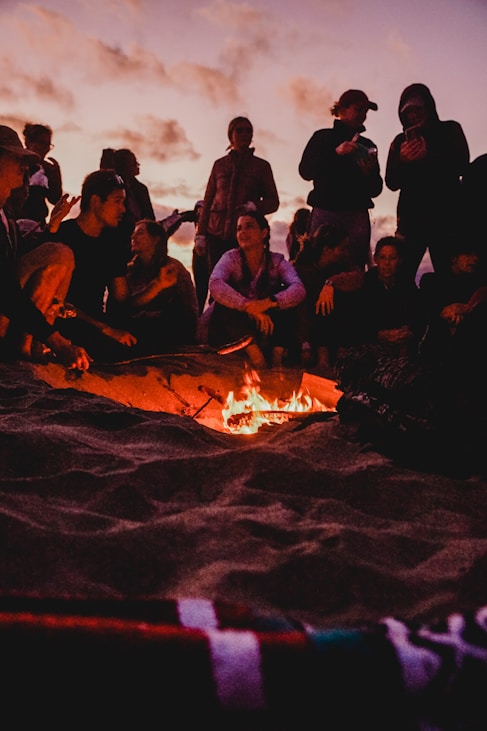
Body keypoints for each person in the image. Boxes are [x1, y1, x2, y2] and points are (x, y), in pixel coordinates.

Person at [0, 124, 90, 370]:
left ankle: (31, 346)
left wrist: (52, 226)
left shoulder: (5, 215)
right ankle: (23, 349)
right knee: (58, 254)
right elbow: (5, 288)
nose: (24, 167)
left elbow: (15, 264)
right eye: (15, 159)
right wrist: (58, 342)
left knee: (61, 253)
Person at [50, 168, 138, 362]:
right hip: (63, 319)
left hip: (97, 323)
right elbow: (53, 300)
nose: (123, 209)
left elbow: (120, 296)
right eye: (117, 201)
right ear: (96, 201)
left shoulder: (113, 242)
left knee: (141, 337)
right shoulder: (64, 235)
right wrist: (106, 329)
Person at [385, 83, 470, 283]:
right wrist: (403, 162)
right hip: (410, 220)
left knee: (450, 277)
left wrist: (428, 156)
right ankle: (401, 314)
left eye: (418, 109)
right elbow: (391, 182)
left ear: (429, 107)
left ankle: (450, 313)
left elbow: (463, 166)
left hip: (447, 219)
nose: (413, 115)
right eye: (408, 112)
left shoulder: (450, 129)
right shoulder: (399, 141)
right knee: (401, 278)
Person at [207, 208, 305, 369]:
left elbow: (298, 289)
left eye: (249, 226)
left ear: (264, 233)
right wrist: (247, 306)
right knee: (224, 303)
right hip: (236, 330)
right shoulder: (231, 258)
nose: (243, 232)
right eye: (239, 228)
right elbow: (215, 283)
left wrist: (268, 303)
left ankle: (277, 358)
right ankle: (256, 357)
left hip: (266, 327)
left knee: (284, 298)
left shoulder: (276, 261)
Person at [298, 89, 383, 270]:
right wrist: (335, 153)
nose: (363, 116)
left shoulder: (368, 146)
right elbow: (305, 171)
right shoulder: (322, 137)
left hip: (356, 214)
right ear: (342, 110)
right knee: (317, 266)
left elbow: (376, 189)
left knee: (354, 269)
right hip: (325, 211)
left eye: (366, 112)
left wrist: (368, 172)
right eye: (359, 110)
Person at [196, 116, 280, 281]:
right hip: (215, 235)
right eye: (239, 130)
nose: (244, 134)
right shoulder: (219, 165)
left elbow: (273, 201)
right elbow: (207, 202)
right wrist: (200, 235)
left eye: (248, 131)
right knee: (217, 283)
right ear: (230, 135)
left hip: (246, 237)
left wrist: (254, 206)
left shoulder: (262, 166)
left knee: (243, 284)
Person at [293, 222, 364, 373]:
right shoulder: (302, 269)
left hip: (336, 329)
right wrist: (305, 343)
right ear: (327, 249)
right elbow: (301, 311)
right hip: (307, 330)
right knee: (317, 299)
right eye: (342, 248)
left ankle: (340, 355)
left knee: (347, 297)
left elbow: (358, 278)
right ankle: (322, 358)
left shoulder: (343, 264)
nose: (347, 252)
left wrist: (331, 283)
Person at [126, 219, 198, 354]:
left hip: (168, 331)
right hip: (137, 329)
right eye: (133, 234)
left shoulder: (173, 268)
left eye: (140, 233)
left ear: (155, 240)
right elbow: (126, 305)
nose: (133, 237)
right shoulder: (130, 271)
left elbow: (189, 309)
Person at [419, 240, 487, 369]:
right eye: (468, 254)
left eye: (476, 254)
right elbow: (430, 313)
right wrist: (447, 313)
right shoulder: (432, 282)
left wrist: (467, 308)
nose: (475, 258)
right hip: (438, 350)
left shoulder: (478, 284)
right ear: (453, 258)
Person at [358, 236, 426, 357]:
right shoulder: (366, 283)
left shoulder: (406, 283)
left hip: (401, 343)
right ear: (375, 259)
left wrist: (409, 331)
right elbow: (359, 321)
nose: (387, 263)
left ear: (400, 260)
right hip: (372, 345)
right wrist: (379, 334)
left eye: (392, 258)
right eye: (382, 258)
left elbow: (418, 315)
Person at [19, 122, 63, 227]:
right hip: (15, 223)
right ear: (28, 142)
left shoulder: (46, 169)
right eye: (41, 142)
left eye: (47, 144)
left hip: (38, 224)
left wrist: (55, 176)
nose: (44, 148)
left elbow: (55, 199)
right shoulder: (17, 162)